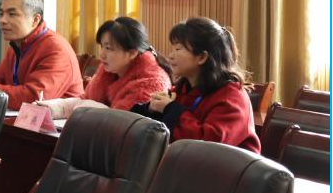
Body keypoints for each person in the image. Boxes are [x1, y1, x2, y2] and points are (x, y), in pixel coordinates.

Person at [137, 17, 260, 152]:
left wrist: (170, 109)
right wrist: (152, 109)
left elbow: (208, 146)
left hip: (226, 165)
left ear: (202, 57)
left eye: (178, 49)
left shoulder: (231, 97)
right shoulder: (184, 88)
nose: (170, 55)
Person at [80, 16, 172, 112]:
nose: (101, 54)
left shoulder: (150, 84)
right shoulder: (109, 71)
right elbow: (85, 99)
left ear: (132, 53)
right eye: (101, 46)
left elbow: (119, 119)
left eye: (108, 48)